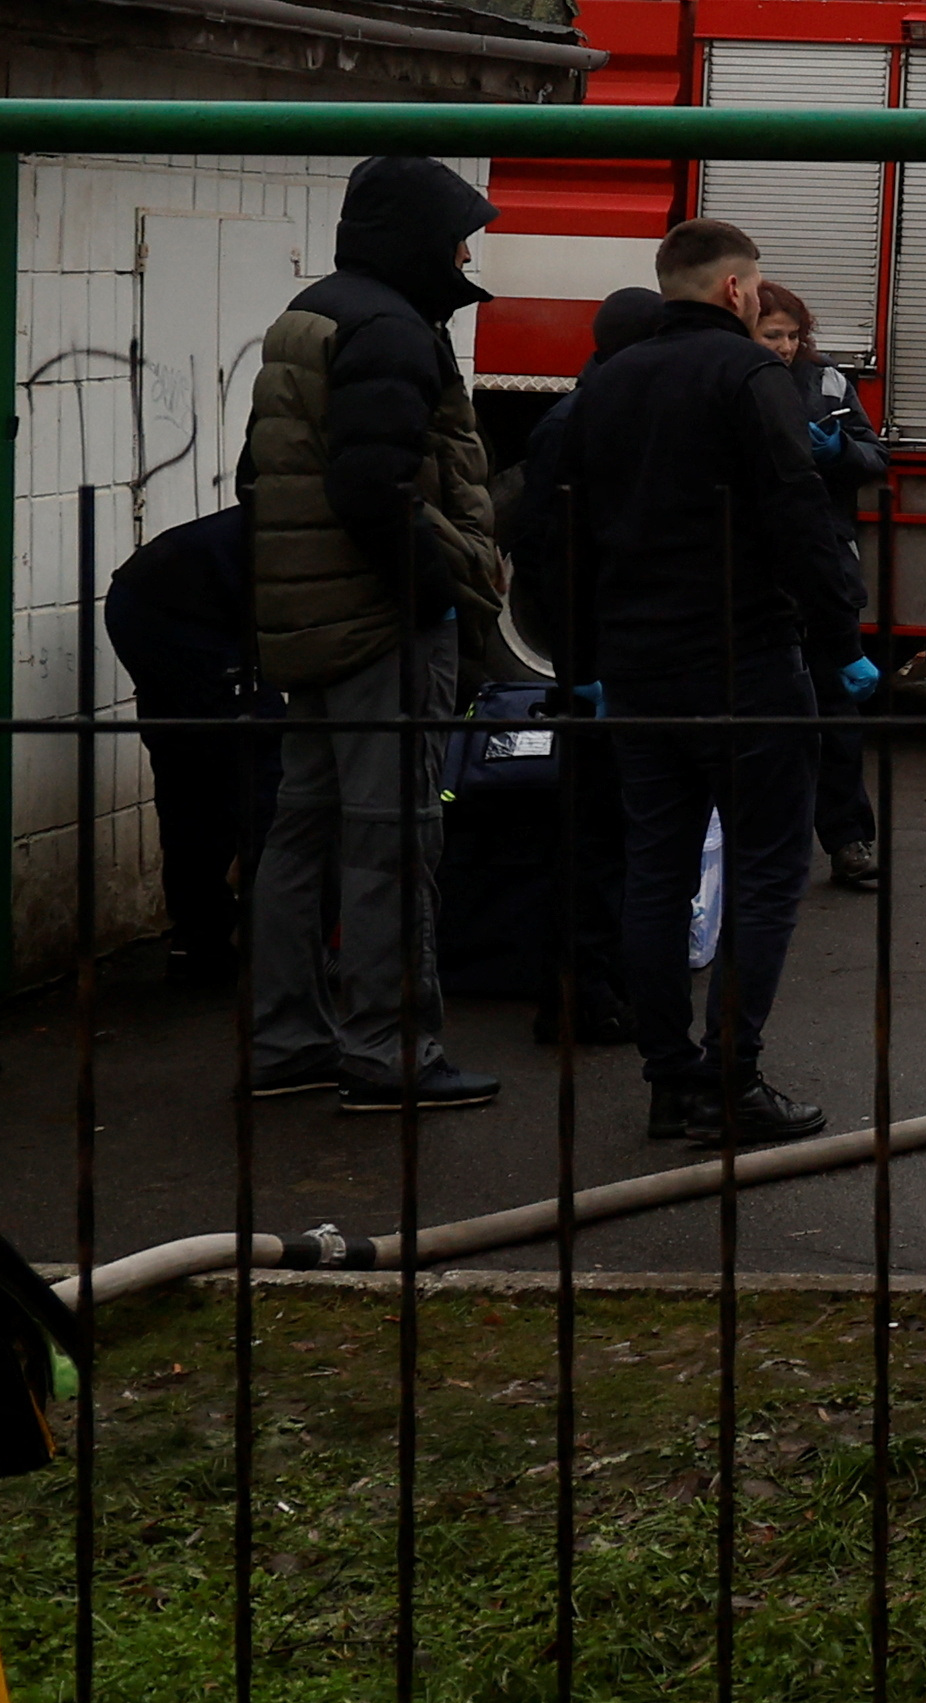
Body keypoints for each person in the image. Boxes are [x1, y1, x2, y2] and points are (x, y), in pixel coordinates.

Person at [552, 221, 875, 1149]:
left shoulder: (606, 382)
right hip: (746, 664)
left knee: (656, 869)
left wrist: (586, 667)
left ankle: (670, 1082)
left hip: (641, 671)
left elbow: (563, 532)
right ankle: (733, 1077)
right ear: (736, 292)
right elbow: (794, 513)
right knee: (769, 873)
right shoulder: (749, 380)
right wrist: (839, 637)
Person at [242, 156, 514, 1113]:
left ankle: (285, 1040)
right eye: (457, 236)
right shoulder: (392, 330)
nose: (467, 255)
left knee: (302, 835)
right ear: (415, 236)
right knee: (393, 839)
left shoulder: (307, 316)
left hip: (307, 618)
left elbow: (263, 478)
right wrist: (436, 597)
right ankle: (390, 1052)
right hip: (377, 623)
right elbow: (374, 488)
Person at [498, 286, 675, 1048]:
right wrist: (584, 662)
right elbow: (550, 551)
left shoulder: (585, 409)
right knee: (603, 836)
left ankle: (590, 988)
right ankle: (583, 994)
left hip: (605, 657)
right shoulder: (593, 421)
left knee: (603, 835)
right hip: (610, 660)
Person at [748, 276, 890, 895]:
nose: (783, 345)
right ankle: (756, 848)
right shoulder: (735, 380)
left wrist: (839, 453)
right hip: (758, 571)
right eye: (771, 333)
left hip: (826, 564)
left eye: (792, 335)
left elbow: (874, 455)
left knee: (836, 717)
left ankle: (848, 841)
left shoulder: (827, 381)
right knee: (760, 720)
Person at [97, 500, 275, 985]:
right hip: (182, 610)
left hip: (148, 598)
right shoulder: (352, 524)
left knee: (193, 772)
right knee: (260, 770)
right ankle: (279, 947)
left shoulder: (317, 503)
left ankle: (200, 940)